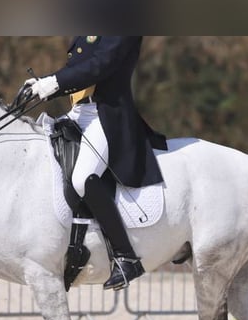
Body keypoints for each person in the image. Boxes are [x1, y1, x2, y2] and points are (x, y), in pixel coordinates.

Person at [25, 36, 168, 290]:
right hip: (78, 112)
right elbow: (77, 69)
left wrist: (55, 82)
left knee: (82, 178)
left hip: (106, 115)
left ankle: (126, 257)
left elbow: (101, 65)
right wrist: (45, 83)